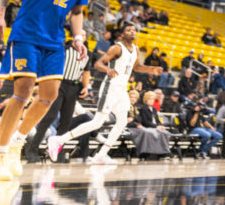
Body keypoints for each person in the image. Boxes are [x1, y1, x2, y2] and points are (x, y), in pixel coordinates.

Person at [0, 0, 94, 181]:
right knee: (22, 92)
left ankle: (17, 142)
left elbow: (77, 11)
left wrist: (78, 37)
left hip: (55, 41)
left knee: (49, 96)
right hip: (27, 35)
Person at [47, 23, 161, 164]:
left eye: (134, 30)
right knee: (97, 122)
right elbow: (98, 64)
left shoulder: (136, 50)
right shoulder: (116, 48)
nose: (132, 32)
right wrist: (107, 70)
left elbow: (137, 67)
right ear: (122, 34)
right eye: (129, 30)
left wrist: (152, 69)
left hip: (122, 90)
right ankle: (58, 140)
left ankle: (101, 154)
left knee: (122, 121)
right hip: (110, 87)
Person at [26, 37, 90, 162]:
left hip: (73, 87)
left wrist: (86, 87)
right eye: (79, 34)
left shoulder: (87, 54)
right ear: (74, 38)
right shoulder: (64, 50)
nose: (81, 37)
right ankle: (32, 150)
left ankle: (58, 152)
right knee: (49, 117)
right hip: (59, 84)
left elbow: (86, 72)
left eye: (84, 35)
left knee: (66, 122)